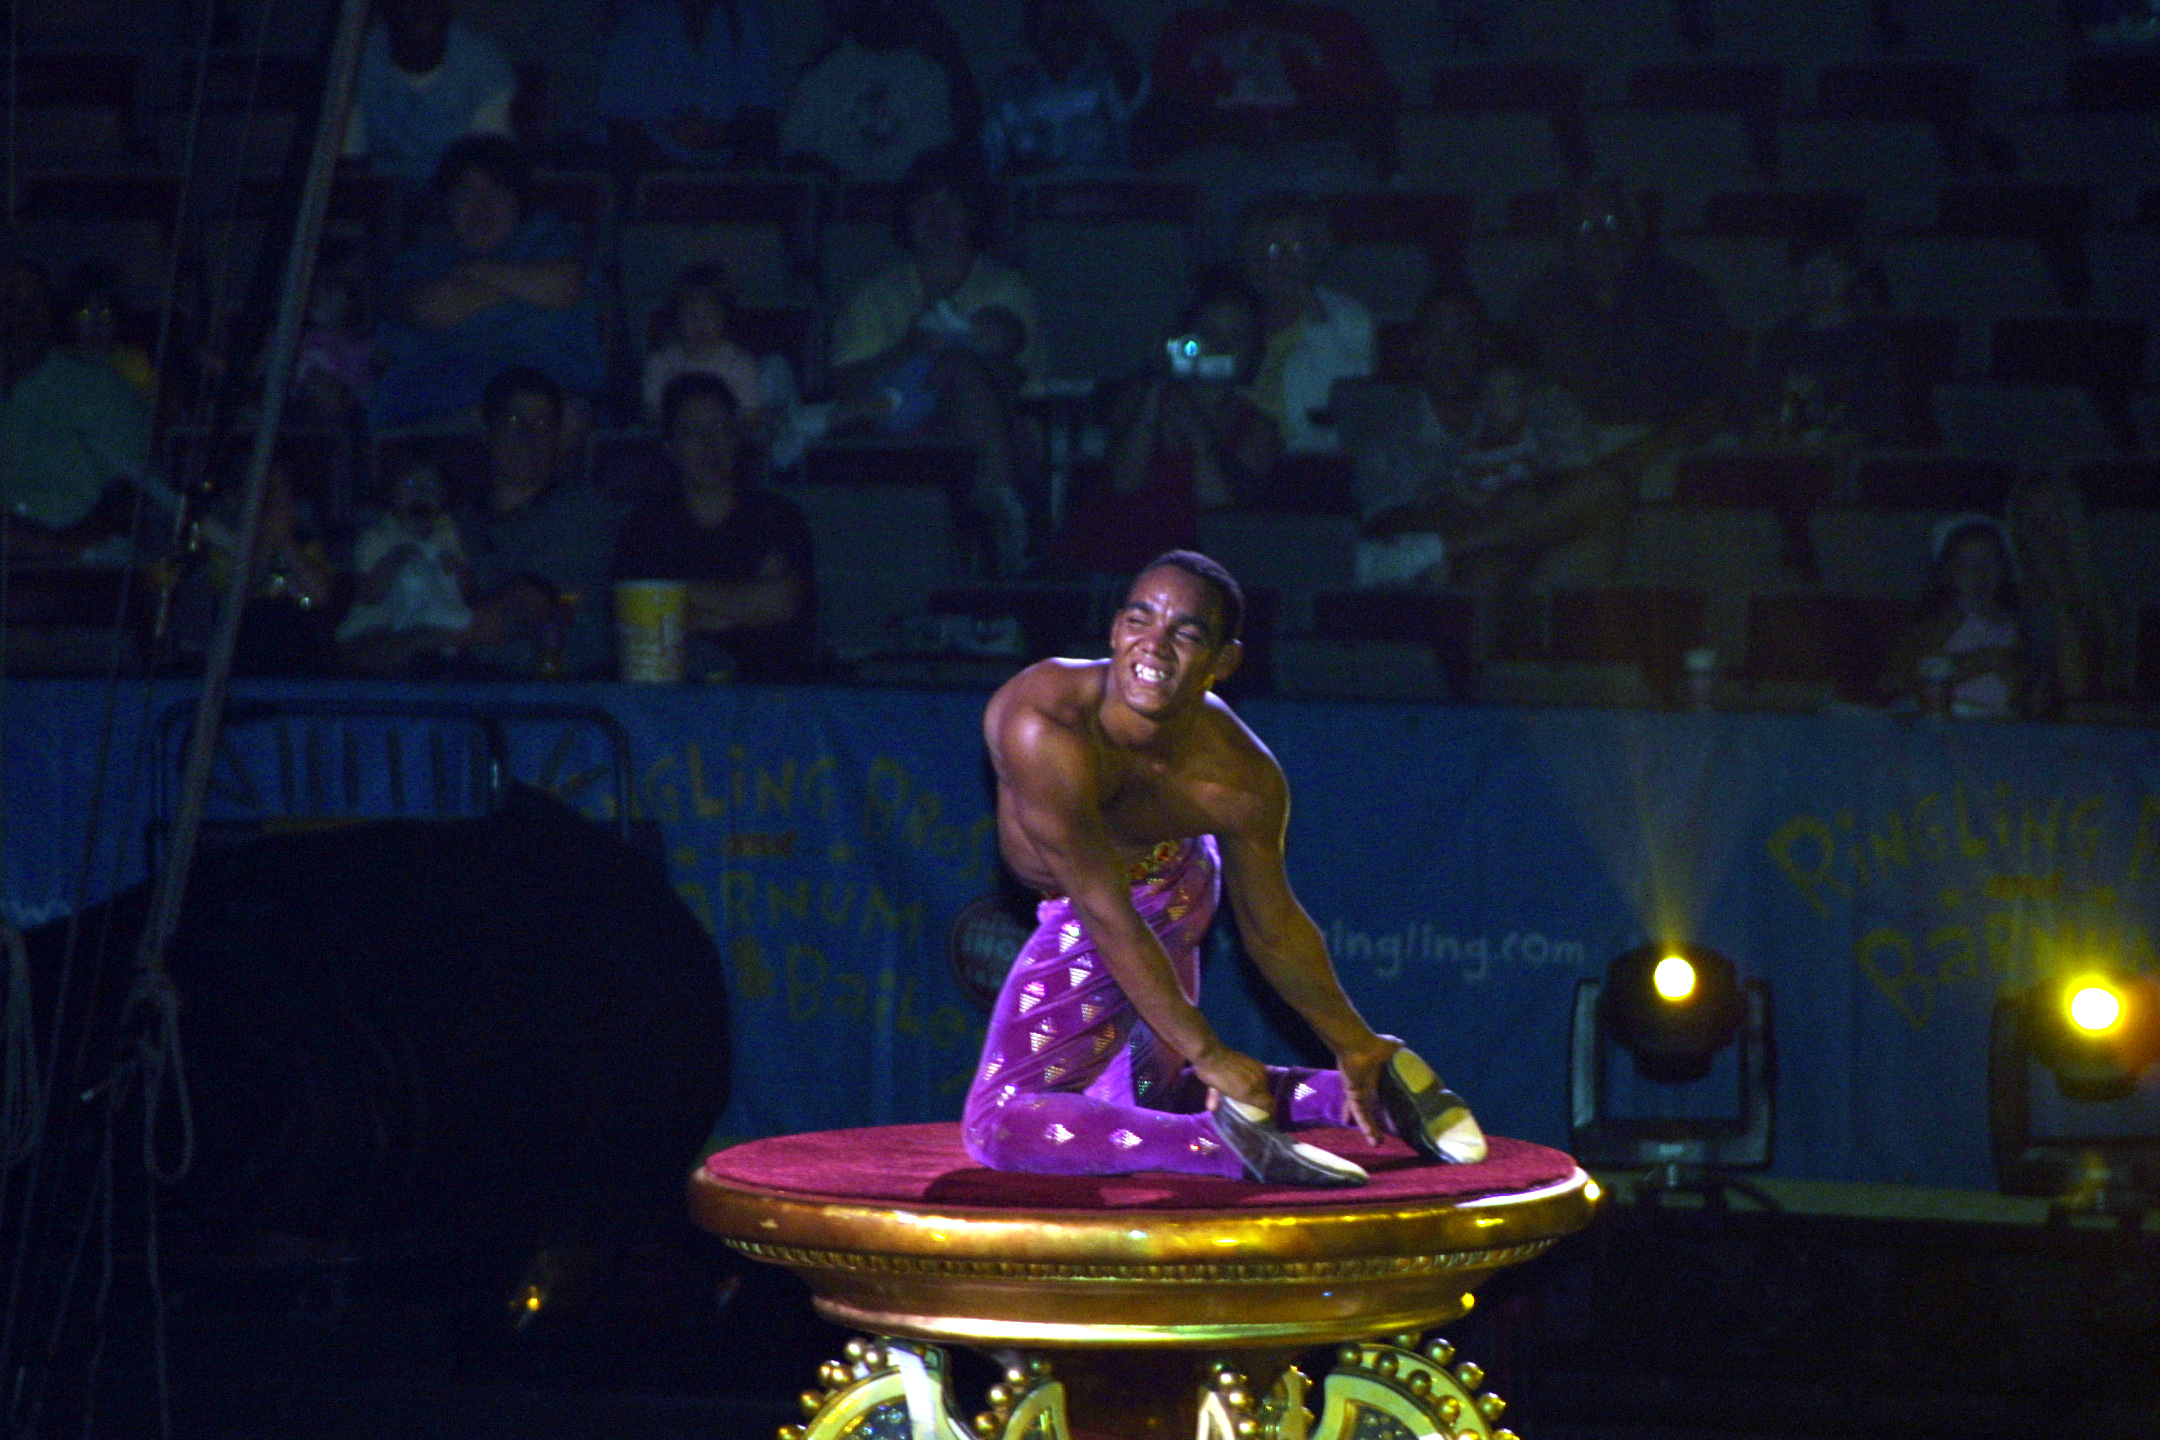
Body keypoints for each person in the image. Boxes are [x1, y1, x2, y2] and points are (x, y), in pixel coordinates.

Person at [965, 551, 1485, 1184]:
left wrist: (1355, 1041)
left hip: (1148, 897)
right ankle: (1336, 1100)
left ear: (1223, 661)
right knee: (1144, 1102)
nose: (1154, 646)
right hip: (1119, 899)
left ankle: (1223, 1146)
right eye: (1140, 620)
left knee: (1001, 1122)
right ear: (1116, 630)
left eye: (1185, 634)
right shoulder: (1045, 721)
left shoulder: (1241, 776)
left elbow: (1272, 928)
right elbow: (1104, 906)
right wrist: (1208, 1053)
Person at [829, 151, 1037, 574]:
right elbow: (844, 385)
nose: (937, 217)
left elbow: (1018, 378)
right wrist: (909, 351)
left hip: (993, 428)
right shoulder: (873, 298)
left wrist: (958, 363)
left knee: (964, 374)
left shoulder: (1007, 289)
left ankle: (1001, 521)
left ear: (972, 216)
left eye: (950, 204)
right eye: (925, 205)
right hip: (895, 432)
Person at [371, 136, 605, 431]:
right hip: (445, 406)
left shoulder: (545, 237)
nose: (482, 206)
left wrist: (473, 272)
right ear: (446, 204)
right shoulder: (423, 259)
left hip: (546, 398)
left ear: (518, 201)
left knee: (566, 416)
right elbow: (432, 308)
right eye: (466, 192)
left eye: (497, 190)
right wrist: (528, 283)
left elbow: (564, 286)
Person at [1059, 270, 1279, 574]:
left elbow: (1222, 517)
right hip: (1119, 563)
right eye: (1209, 333)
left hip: (1198, 572)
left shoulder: (1258, 427)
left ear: (1254, 348)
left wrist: (1197, 435)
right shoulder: (1140, 397)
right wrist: (1159, 383)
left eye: (1236, 336)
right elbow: (1123, 482)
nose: (1221, 346)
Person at [1132, 0, 1398, 252]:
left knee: (1338, 187)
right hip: (1218, 157)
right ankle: (1223, 281)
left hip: (1314, 154)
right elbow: (1161, 116)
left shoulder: (1333, 27)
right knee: (1211, 195)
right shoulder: (1188, 29)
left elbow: (1371, 109)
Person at [614, 373, 816, 682]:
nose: (709, 444)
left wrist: (677, 596)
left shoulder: (779, 518)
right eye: (692, 432)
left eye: (720, 429)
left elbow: (782, 603)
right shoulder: (644, 528)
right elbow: (643, 625)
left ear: (737, 438)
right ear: (670, 447)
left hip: (770, 693)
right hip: (672, 696)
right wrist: (749, 601)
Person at [1508, 180, 1733, 428]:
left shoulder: (1684, 294)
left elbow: (1713, 388)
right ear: (1568, 239)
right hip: (1570, 444)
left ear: (1633, 230)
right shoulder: (1542, 302)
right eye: (1584, 227)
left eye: (1611, 223)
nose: (1599, 239)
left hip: (1667, 440)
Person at [453, 367, 627, 678]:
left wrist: (419, 639)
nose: (528, 437)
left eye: (543, 424)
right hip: (459, 691)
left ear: (559, 436)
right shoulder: (456, 524)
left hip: (563, 695)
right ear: (487, 428)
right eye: (514, 421)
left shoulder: (583, 514)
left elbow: (521, 612)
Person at [0, 258, 154, 559]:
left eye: (30, 306)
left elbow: (128, 492)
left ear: (50, 314)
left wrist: (61, 543)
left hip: (79, 554)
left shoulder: (103, 389)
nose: (17, 319)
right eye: (8, 304)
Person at [779, 0, 981, 183]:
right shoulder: (824, 71)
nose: (883, 8)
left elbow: (941, 157)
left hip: (911, 206)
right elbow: (796, 153)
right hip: (836, 205)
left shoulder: (932, 75)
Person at [1237, 193, 1373, 455]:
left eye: (1298, 248)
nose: (1287, 261)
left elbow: (1350, 400)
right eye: (1274, 248)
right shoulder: (1234, 314)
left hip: (1313, 458)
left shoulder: (1348, 318)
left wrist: (1317, 318)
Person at [345, 0, 517, 185]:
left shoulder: (486, 66)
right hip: (377, 192)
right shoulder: (354, 61)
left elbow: (487, 169)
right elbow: (349, 163)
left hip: (456, 194)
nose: (424, 6)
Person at [1882, 515, 2037, 719]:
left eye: (1988, 562)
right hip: (1938, 720)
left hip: (1991, 723)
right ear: (1946, 574)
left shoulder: (2013, 627)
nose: (1978, 572)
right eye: (1965, 564)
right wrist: (1985, 660)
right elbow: (1902, 677)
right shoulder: (1941, 621)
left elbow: (2023, 686)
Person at [1749, 237, 1899, 449]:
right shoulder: (1779, 340)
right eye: (1810, 269)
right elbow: (1761, 413)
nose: (1819, 278)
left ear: (1850, 274)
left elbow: (1875, 425)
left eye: (1831, 267)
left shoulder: (1871, 343)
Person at [598, 0, 782, 170]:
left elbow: (760, 111)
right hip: (649, 171)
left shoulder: (742, 19)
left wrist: (720, 140)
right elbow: (621, 121)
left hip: (725, 172)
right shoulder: (638, 20)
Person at [983, 0, 1145, 176]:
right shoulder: (1011, 92)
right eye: (1047, 22)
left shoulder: (1109, 82)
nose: (1057, 32)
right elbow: (995, 166)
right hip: (1035, 192)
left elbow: (1132, 79)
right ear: (1031, 31)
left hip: (1103, 192)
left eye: (1064, 20)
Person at [2007, 480, 2129, 710]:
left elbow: (2080, 686)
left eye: (2053, 519)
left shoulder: (2097, 596)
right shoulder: (2001, 591)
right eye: (2032, 520)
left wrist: (2060, 587)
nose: (2041, 531)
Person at [336, 460, 473, 666]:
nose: (421, 493)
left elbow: (468, 591)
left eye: (431, 487)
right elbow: (368, 595)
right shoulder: (378, 537)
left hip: (434, 631)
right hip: (376, 631)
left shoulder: (447, 536)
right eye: (410, 484)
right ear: (392, 492)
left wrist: (456, 567)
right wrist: (394, 561)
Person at [642, 264, 766, 425]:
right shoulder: (661, 363)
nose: (700, 324)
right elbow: (653, 416)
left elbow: (751, 417)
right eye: (690, 315)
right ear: (677, 319)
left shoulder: (740, 364)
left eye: (710, 315)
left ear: (725, 318)